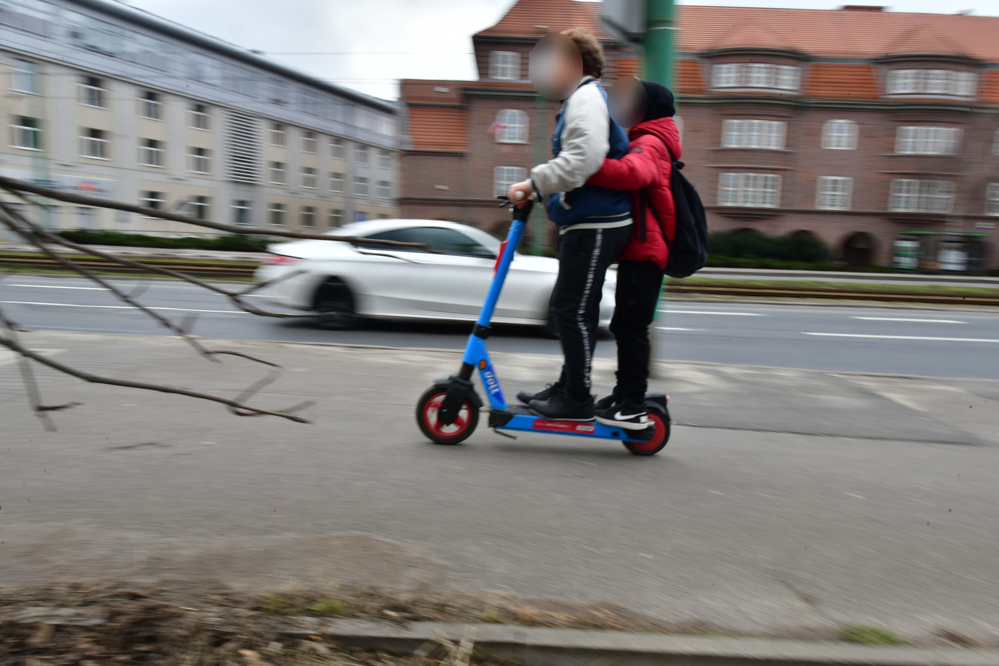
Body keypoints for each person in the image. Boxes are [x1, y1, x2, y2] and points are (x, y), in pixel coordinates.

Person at [508, 29, 633, 421]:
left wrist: (533, 182)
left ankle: (576, 397)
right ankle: (569, 385)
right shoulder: (583, 99)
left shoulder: (585, 99)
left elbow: (585, 158)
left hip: (596, 223)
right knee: (578, 309)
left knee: (569, 310)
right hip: (590, 222)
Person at [584, 80, 681, 430]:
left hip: (646, 251)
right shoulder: (649, 138)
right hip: (640, 249)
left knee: (633, 327)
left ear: (649, 107)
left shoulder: (651, 142)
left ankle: (633, 404)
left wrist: (586, 166)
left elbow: (631, 173)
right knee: (624, 325)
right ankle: (624, 394)